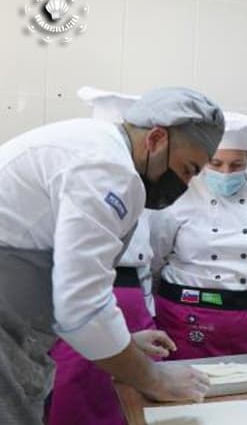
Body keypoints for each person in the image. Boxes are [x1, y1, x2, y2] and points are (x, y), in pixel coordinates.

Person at [0, 86, 223, 424]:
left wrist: (125, 343)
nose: (185, 183)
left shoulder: (96, 147)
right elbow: (83, 307)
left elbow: (65, 285)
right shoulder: (108, 168)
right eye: (187, 169)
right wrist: (155, 379)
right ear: (156, 139)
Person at [46, 88, 175, 425]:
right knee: (74, 400)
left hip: (127, 304)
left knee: (129, 409)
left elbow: (150, 260)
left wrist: (139, 324)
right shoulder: (85, 176)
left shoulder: (143, 187)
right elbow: (80, 296)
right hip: (79, 308)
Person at [150, 112, 247, 360]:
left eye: (236, 165)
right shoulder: (177, 197)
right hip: (187, 315)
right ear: (204, 158)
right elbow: (155, 259)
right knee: (185, 390)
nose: (226, 173)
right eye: (216, 163)